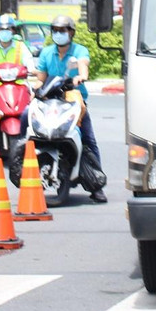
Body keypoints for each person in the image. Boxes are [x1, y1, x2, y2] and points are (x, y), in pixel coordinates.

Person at [33, 15, 106, 203]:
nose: (59, 34)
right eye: (55, 31)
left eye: (63, 30)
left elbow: (83, 66)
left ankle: (96, 185)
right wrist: (34, 86)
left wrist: (80, 77)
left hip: (73, 101)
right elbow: (41, 78)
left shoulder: (79, 51)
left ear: (71, 33)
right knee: (27, 121)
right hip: (50, 101)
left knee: (88, 137)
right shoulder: (47, 52)